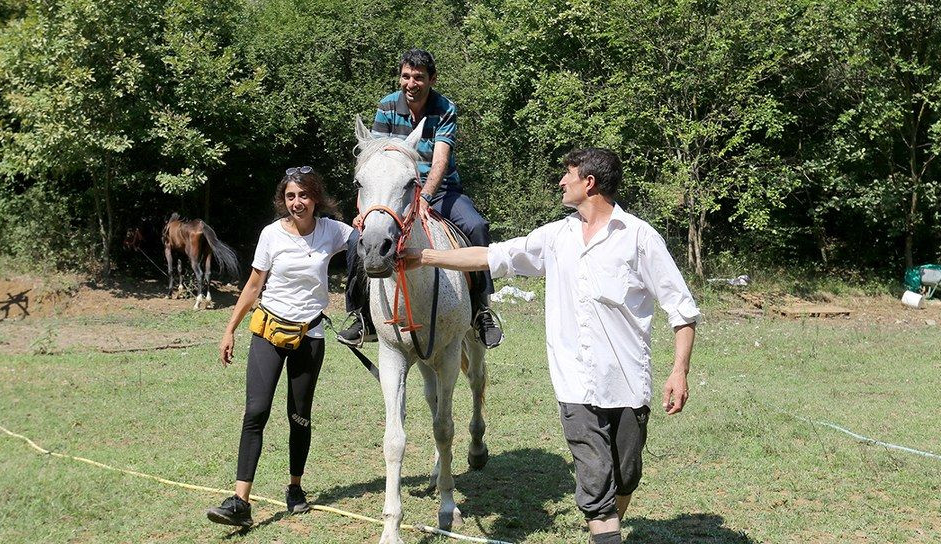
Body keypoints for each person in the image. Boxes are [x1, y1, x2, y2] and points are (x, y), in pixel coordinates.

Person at [402, 148, 700, 544]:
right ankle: (604, 528)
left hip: (628, 383)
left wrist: (679, 370)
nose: (562, 181)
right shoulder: (556, 237)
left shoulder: (640, 238)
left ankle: (608, 524)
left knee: (625, 476)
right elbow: (492, 255)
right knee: (595, 486)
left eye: (569, 174)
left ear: (589, 183)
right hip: (576, 384)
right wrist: (425, 256)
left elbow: (681, 310)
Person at [205, 167, 353, 528]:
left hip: (310, 336)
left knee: (299, 415)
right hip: (268, 332)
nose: (296, 203)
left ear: (315, 198)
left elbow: (368, 238)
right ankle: (240, 501)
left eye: (303, 195)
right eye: (290, 196)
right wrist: (229, 330)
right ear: (282, 200)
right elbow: (254, 286)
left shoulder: (332, 231)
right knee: (256, 412)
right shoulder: (271, 234)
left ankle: (295, 488)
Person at [337, 48, 503, 349]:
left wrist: (424, 197)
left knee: (477, 227)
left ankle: (481, 310)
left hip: (440, 191)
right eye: (405, 76)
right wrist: (367, 209)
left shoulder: (445, 109)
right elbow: (375, 161)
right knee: (354, 241)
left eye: (418, 78)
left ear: (431, 79)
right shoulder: (387, 106)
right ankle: (361, 316)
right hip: (394, 194)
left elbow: (440, 160)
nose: (411, 83)